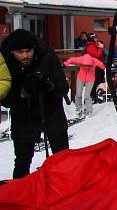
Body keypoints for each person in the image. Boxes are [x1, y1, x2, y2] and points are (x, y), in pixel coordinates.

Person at [0, 29, 70, 178]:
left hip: (51, 111)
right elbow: (4, 99)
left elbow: (63, 86)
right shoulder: (4, 61)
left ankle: (67, 190)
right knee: (22, 161)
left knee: (64, 158)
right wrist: (22, 92)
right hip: (23, 115)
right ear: (12, 52)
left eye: (28, 51)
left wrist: (49, 86)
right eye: (20, 52)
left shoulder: (47, 56)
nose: (25, 55)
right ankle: (20, 195)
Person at [63, 51, 106, 117]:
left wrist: (105, 69)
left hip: (90, 79)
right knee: (78, 94)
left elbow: (101, 65)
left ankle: (89, 111)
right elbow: (71, 60)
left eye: (88, 66)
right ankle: (78, 109)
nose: (86, 67)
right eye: (84, 66)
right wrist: (65, 63)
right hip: (80, 78)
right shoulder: (80, 59)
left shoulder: (94, 61)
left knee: (87, 95)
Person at [85, 34, 105, 104]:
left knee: (97, 81)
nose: (96, 39)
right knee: (94, 82)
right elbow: (97, 55)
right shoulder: (90, 46)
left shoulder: (93, 45)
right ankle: (91, 97)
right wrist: (100, 48)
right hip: (93, 67)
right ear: (91, 38)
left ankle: (93, 96)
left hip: (97, 66)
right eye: (95, 38)